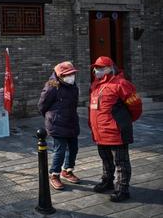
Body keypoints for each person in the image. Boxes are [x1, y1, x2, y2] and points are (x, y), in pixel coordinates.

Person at [89, 56, 142, 202]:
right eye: (96, 68)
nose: (96, 70)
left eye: (100, 68)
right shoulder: (96, 84)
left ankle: (122, 189)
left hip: (116, 132)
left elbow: (135, 104)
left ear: (109, 69)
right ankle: (107, 181)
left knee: (121, 162)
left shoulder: (122, 84)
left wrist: (125, 121)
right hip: (100, 131)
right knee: (105, 159)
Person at [38, 61, 80, 190]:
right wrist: (52, 117)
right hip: (57, 123)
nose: (71, 76)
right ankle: (54, 174)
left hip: (71, 121)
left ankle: (67, 170)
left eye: (72, 74)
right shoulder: (52, 85)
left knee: (73, 148)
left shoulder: (73, 85)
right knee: (60, 150)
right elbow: (42, 105)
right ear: (59, 75)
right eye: (68, 74)